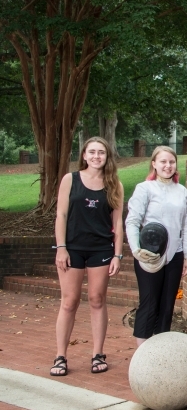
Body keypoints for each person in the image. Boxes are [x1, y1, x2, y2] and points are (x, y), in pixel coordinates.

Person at [51, 137, 125, 376]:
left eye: (101, 152)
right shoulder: (69, 180)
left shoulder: (114, 184)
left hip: (101, 250)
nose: (96, 156)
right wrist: (61, 247)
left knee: (97, 300)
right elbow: (61, 215)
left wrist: (117, 255)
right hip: (72, 248)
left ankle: (98, 354)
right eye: (92, 152)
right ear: (84, 155)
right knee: (69, 301)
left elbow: (117, 222)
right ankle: (61, 356)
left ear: (107, 156)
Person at [125, 146, 187, 347]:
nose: (168, 165)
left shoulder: (182, 191)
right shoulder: (144, 189)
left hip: (175, 256)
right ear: (154, 164)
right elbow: (132, 221)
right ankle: (143, 353)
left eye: (171, 162)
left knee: (167, 306)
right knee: (149, 303)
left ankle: (160, 351)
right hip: (149, 257)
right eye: (163, 161)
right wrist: (137, 251)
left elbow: (186, 226)